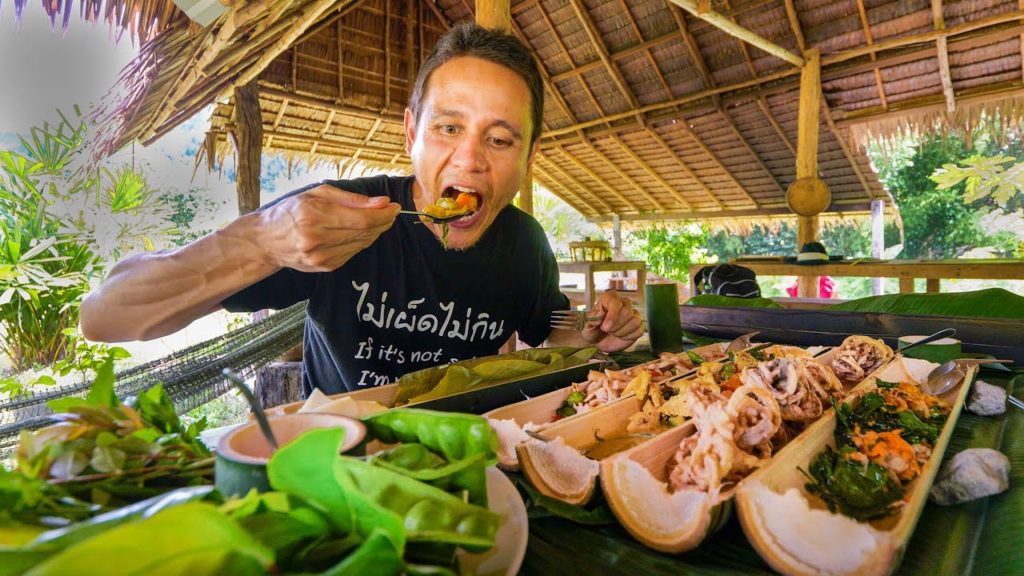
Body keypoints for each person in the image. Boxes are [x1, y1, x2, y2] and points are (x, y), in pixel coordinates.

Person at [80, 22, 644, 396]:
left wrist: (593, 334)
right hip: (340, 459)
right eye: (448, 128)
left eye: (499, 139)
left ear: (528, 156)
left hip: (466, 453)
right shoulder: (332, 216)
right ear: (411, 134)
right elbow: (106, 316)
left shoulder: (525, 243)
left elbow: (551, 335)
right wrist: (260, 241)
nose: (470, 160)